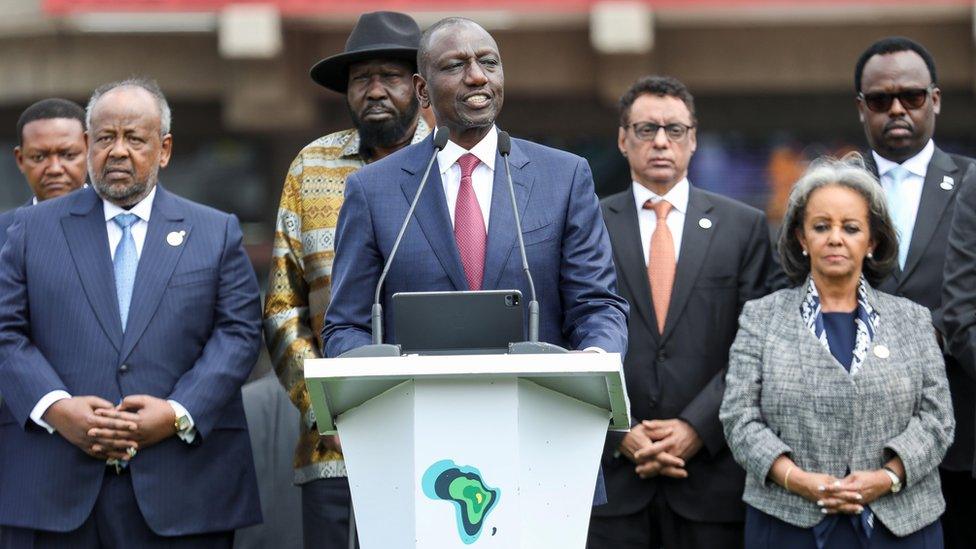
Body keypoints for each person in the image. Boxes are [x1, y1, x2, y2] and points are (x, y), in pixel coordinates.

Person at [0, 78, 262, 547]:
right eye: (105, 138)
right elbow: (5, 332)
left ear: (163, 150)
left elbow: (238, 332)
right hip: (53, 486)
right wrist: (56, 409)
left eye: (134, 138)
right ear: (88, 144)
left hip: (183, 487)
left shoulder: (215, 231)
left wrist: (178, 411)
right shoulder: (29, 230)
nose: (117, 151)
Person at [323, 15, 627, 364]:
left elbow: (596, 305)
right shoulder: (372, 188)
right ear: (423, 90)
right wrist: (371, 370)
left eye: (488, 62)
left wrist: (594, 358)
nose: (477, 76)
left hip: (537, 407)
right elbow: (346, 326)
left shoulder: (564, 176)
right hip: (417, 408)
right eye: (456, 65)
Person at [587, 76, 781, 549]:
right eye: (645, 128)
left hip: (711, 479)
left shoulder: (745, 226)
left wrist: (697, 426)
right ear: (622, 139)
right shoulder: (585, 222)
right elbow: (568, 330)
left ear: (693, 139)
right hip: (612, 479)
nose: (659, 141)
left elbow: (758, 344)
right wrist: (620, 429)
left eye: (674, 130)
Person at [720, 157, 954, 548]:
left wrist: (888, 477)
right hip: (788, 524)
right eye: (821, 226)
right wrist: (797, 479)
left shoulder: (913, 320)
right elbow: (738, 417)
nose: (835, 239)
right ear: (800, 238)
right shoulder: (761, 318)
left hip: (901, 527)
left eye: (851, 228)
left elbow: (937, 420)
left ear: (872, 241)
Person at [262, 11, 430, 548]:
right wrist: (325, 404)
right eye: (362, 79)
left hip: (444, 432)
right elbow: (282, 307)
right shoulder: (311, 165)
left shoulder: (455, 163)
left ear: (421, 86)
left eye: (390, 76)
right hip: (334, 444)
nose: (375, 90)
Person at [854, 36, 976, 548]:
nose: (897, 108)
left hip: (961, 432)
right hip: (861, 440)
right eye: (881, 100)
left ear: (937, 99)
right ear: (862, 109)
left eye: (913, 96)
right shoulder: (836, 189)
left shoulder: (972, 182)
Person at [0, 98, 88, 245]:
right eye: (39, 157)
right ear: (20, 159)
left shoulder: (115, 223)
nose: (54, 169)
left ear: (89, 151)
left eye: (68, 155)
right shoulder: (4, 232)